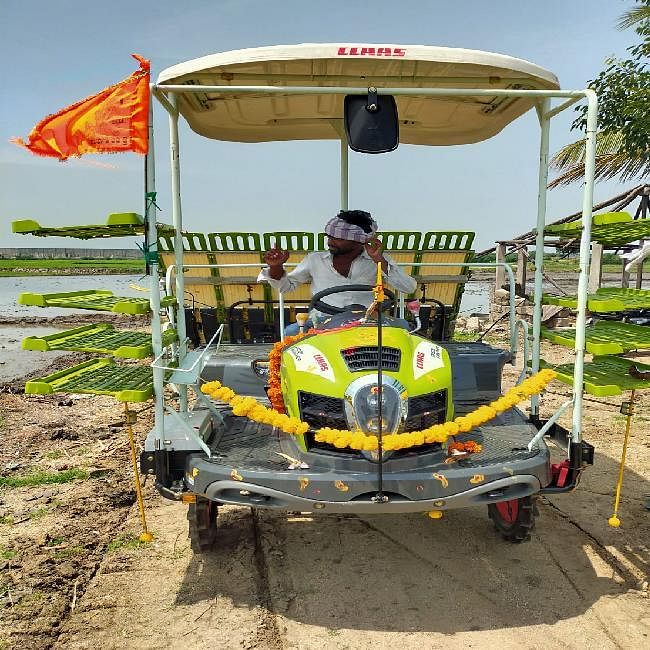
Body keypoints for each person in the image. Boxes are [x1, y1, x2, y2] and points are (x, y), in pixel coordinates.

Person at [258, 210, 417, 335]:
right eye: (329, 237)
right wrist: (276, 267)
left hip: (369, 320)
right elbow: (286, 287)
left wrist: (379, 260)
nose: (330, 242)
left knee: (406, 330)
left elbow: (409, 288)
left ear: (359, 241)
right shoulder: (314, 260)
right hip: (322, 320)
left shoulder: (378, 260)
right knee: (290, 333)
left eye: (338, 239)